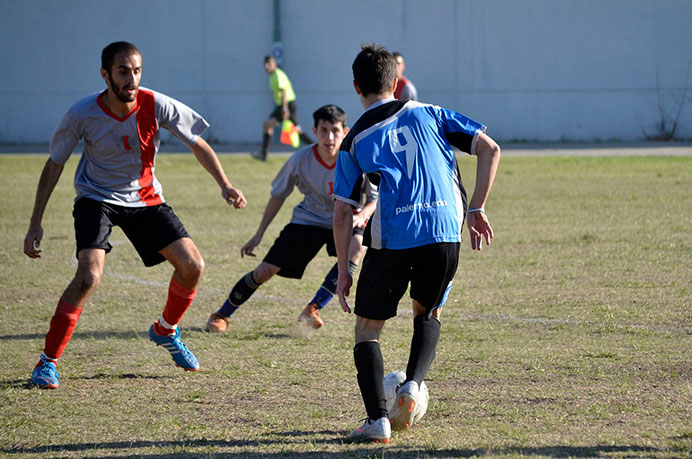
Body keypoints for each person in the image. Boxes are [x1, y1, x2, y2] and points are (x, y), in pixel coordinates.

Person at [23, 41, 247, 389]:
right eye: (123, 71)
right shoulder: (82, 113)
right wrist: (35, 221)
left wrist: (225, 184)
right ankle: (47, 362)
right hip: (96, 198)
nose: (132, 79)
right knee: (88, 276)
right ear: (105, 75)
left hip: (145, 199)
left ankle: (165, 330)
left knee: (193, 266)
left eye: (137, 71)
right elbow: (55, 163)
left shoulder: (155, 103)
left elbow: (196, 142)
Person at [333, 44, 501, 443]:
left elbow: (342, 212)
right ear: (396, 82)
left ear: (356, 87)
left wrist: (343, 270)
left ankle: (377, 421)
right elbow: (489, 148)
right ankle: (413, 385)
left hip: (393, 237)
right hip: (445, 229)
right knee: (429, 312)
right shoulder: (434, 113)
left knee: (367, 330)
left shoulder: (354, 139)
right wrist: (476, 207)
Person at [206, 104, 376, 333]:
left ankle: (313, 309)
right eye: (324, 130)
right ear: (314, 131)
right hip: (310, 219)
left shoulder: (356, 160)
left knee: (357, 247)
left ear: (345, 132)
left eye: (335, 131)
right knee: (264, 271)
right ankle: (222, 314)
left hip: (346, 219)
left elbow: (374, 198)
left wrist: (363, 215)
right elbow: (277, 196)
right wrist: (259, 235)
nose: (330, 137)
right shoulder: (300, 159)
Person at [253, 55, 313, 161]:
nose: (267, 66)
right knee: (270, 126)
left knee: (269, 125)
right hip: (283, 105)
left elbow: (284, 91)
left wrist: (285, 109)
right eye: (265, 64)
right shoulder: (272, 75)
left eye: (269, 64)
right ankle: (264, 154)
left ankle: (315, 147)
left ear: (274, 64)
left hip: (286, 105)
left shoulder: (277, 75)